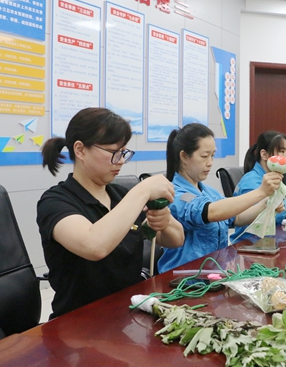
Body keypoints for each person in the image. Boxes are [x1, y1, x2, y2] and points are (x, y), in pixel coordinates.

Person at [37, 108, 184, 319]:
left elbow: (177, 239)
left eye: (123, 152)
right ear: (80, 150)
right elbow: (94, 245)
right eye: (114, 152)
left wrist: (164, 221)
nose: (121, 160)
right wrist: (142, 190)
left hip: (129, 312)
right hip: (80, 322)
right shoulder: (55, 202)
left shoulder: (120, 196)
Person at [159, 123, 282, 273]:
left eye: (212, 156)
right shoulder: (176, 193)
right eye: (204, 156)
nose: (210, 163)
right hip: (185, 278)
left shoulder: (209, 192)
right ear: (184, 156)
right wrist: (261, 192)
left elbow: (236, 218)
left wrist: (266, 204)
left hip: (215, 273)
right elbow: (211, 212)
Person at [231, 131, 286, 243]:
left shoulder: (274, 177)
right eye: (281, 151)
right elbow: (263, 218)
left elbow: (278, 213)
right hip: (250, 243)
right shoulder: (251, 181)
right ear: (264, 155)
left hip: (273, 239)